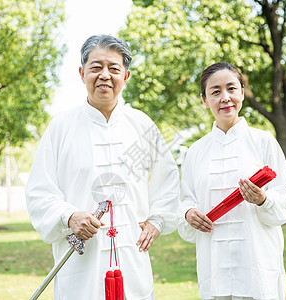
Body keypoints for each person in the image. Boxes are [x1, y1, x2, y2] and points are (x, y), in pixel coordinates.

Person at [26, 34, 179, 300]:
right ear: (82, 72)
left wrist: (157, 220)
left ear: (126, 76)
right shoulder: (61, 127)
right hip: (80, 263)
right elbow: (39, 192)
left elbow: (169, 179)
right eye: (96, 67)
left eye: (114, 68)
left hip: (132, 257)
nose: (104, 75)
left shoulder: (143, 125)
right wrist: (69, 216)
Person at [177, 62, 286, 300]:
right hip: (214, 266)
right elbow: (185, 200)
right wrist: (188, 213)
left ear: (242, 91)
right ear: (204, 99)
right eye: (215, 91)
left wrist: (263, 199)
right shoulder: (196, 151)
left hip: (257, 267)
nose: (225, 98)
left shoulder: (264, 142)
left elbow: (283, 206)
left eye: (231, 88)